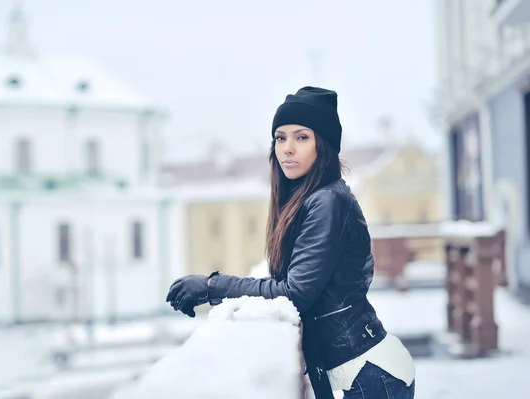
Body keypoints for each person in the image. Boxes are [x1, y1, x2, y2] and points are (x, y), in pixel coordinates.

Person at [166, 86, 416, 398]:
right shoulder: (309, 199)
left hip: (365, 374)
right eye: (280, 137)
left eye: (301, 137)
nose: (287, 148)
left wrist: (211, 286)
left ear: (322, 145)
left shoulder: (327, 202)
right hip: (356, 371)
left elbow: (294, 292)